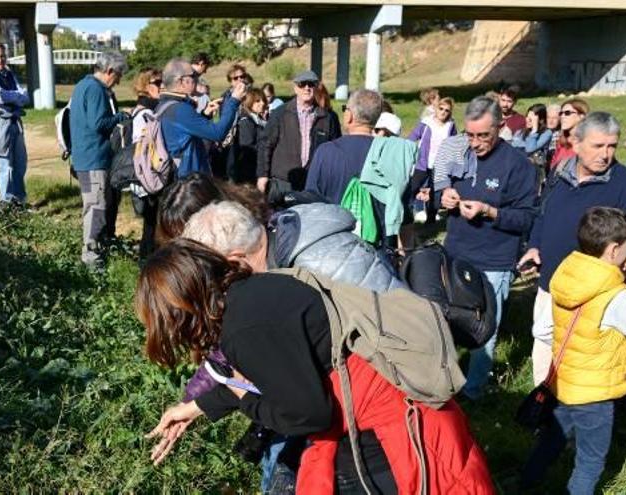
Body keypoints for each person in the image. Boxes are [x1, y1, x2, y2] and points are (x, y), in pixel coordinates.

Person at [138, 239, 495, 494]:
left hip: (388, 439)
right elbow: (283, 378)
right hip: (398, 409)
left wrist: (241, 397)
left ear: (177, 311)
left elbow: (307, 415)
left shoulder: (244, 329)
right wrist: (196, 407)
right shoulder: (257, 292)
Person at [179, 199, 405, 493]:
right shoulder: (287, 241)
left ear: (235, 260)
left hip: (384, 425)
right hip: (367, 409)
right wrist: (201, 403)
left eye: (216, 275)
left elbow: (309, 408)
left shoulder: (309, 268)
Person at [520, 206, 626, 495]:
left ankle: (525, 483)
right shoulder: (617, 296)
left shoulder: (566, 274)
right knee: (590, 462)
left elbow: (542, 330)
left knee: (551, 440)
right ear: (614, 250)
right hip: (596, 395)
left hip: (563, 383)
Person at [517, 112, 626, 386]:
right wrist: (534, 246)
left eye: (612, 146)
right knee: (544, 346)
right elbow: (543, 214)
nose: (606, 154)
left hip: (593, 294)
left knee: (582, 360)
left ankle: (582, 417)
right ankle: (543, 408)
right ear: (577, 144)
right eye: (598, 146)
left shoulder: (625, 183)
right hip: (551, 283)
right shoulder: (561, 173)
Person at [438, 95, 538, 401]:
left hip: (494, 260)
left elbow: (526, 218)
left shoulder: (518, 164)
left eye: (484, 136)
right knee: (445, 320)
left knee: (486, 329)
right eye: (470, 135)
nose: (476, 143)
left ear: (501, 126)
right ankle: (442, 381)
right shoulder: (459, 152)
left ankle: (473, 391)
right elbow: (439, 190)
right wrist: (444, 198)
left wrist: (489, 211)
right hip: (455, 252)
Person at [304, 89, 393, 243]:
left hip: (332, 247)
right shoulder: (392, 154)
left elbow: (311, 204)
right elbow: (403, 214)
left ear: (350, 115)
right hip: (379, 250)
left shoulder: (326, 152)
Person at [68, 52, 130, 269]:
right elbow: (98, 123)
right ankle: (91, 260)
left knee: (97, 206)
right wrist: (121, 117)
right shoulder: (95, 89)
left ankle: (97, 250)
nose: (119, 80)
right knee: (96, 209)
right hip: (93, 158)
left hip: (87, 157)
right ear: (109, 71)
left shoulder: (84, 85)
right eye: (119, 74)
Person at [257, 70, 340, 202]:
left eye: (311, 84)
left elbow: (335, 150)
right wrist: (262, 175)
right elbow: (265, 144)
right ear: (295, 88)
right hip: (283, 181)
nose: (307, 88)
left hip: (313, 182)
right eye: (302, 84)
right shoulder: (281, 113)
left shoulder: (327, 117)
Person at [157, 58, 246, 179]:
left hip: (181, 178)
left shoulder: (164, 105)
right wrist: (234, 101)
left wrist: (203, 115)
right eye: (193, 75)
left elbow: (185, 132)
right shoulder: (180, 109)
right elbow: (218, 133)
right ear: (181, 81)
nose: (197, 79)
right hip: (190, 182)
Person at [0, 42, 29, 205]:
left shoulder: (9, 74)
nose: (0, 60)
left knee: (20, 161)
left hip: (15, 121)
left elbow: (25, 96)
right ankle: (5, 200)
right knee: (4, 163)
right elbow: (0, 97)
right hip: (1, 122)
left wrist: (15, 96)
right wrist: (17, 96)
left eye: (2, 56)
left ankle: (19, 199)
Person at [130, 68, 164, 259]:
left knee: (152, 223)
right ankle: (148, 262)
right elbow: (142, 147)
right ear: (145, 86)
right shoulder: (144, 112)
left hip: (153, 173)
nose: (162, 86)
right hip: (149, 174)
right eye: (157, 83)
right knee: (151, 223)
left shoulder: (152, 108)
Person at [408, 96, 457, 224]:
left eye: (447, 110)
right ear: (436, 109)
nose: (443, 112)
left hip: (440, 165)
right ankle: (408, 214)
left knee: (435, 192)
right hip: (422, 163)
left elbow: (455, 142)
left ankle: (430, 220)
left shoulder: (450, 126)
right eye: (441, 108)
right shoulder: (426, 123)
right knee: (413, 188)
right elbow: (412, 137)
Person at [227, 88, 267, 184]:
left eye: (263, 100)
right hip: (248, 171)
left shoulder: (258, 119)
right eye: (257, 101)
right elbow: (247, 147)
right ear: (249, 102)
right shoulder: (246, 121)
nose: (262, 103)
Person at [512, 103, 553, 178]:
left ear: (541, 120)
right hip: (518, 169)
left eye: (531, 119)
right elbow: (513, 149)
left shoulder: (547, 133)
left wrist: (534, 130)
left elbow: (530, 149)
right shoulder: (519, 132)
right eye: (527, 116)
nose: (528, 120)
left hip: (535, 171)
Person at [550, 98, 589, 170]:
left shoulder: (588, 142)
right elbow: (553, 164)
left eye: (567, 113)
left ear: (581, 116)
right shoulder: (562, 140)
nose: (562, 116)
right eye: (561, 113)